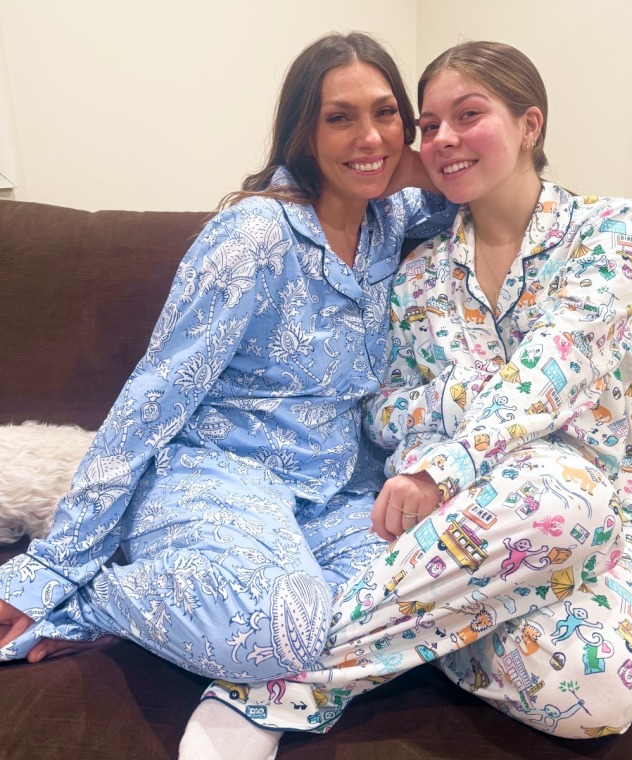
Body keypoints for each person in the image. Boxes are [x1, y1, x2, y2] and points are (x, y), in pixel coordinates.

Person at [188, 40, 632, 752]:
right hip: (465, 529)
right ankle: (404, 629)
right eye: (429, 125)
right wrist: (455, 412)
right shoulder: (418, 271)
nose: (442, 138)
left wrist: (444, 462)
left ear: (530, 124)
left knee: (600, 689)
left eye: (468, 116)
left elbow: (558, 366)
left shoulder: (611, 230)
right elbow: (382, 408)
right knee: (560, 501)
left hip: (596, 524)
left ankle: (274, 679)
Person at [0, 31, 455, 760]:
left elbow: (479, 188)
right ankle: (98, 602)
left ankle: (207, 643)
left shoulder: (392, 220)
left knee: (430, 593)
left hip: (333, 493)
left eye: (385, 113)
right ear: (304, 130)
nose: (368, 137)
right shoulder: (254, 235)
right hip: (215, 475)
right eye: (340, 118)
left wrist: (418, 156)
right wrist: (55, 566)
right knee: (285, 628)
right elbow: (152, 399)